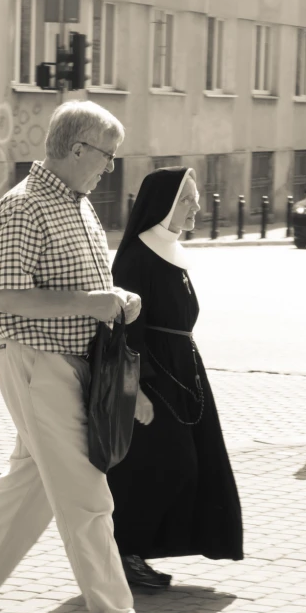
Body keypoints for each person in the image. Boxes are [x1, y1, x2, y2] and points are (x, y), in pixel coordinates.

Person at [0, 100, 169, 613]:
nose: (111, 167)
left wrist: (111, 304)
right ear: (78, 148)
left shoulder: (76, 203)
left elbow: (81, 291)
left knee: (28, 492)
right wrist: (92, 301)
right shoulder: (23, 207)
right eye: (107, 155)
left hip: (70, 365)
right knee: (87, 497)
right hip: (40, 365)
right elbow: (6, 295)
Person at [108, 166, 244, 589]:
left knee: (194, 464)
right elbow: (126, 332)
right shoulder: (135, 259)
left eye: (196, 197)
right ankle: (124, 552)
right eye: (187, 199)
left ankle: (135, 553)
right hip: (153, 378)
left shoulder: (170, 252)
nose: (197, 206)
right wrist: (138, 392)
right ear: (164, 205)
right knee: (168, 466)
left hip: (183, 371)